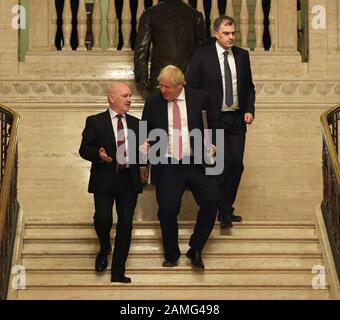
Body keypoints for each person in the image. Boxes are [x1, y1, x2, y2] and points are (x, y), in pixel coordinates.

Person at [140, 65, 218, 270]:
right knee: (167, 209)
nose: (163, 90)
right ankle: (171, 254)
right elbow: (143, 131)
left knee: (211, 201)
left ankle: (196, 248)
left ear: (180, 85)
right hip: (168, 164)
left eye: (167, 87)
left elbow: (214, 124)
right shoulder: (153, 101)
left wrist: (215, 145)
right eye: (161, 86)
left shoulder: (200, 97)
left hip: (197, 162)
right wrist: (143, 156)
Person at [187, 15, 256, 228]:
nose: (231, 37)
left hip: (236, 118)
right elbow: (192, 89)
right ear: (216, 33)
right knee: (219, 165)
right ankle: (221, 211)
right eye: (226, 33)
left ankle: (225, 207)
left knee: (236, 164)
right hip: (213, 119)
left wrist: (249, 110)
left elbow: (249, 87)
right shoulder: (201, 56)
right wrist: (199, 118)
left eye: (233, 33)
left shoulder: (242, 56)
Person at [79, 82, 143, 283]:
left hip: (128, 182)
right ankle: (105, 246)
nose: (129, 99)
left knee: (125, 225)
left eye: (130, 95)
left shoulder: (137, 123)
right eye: (125, 95)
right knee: (103, 219)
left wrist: (145, 153)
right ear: (112, 98)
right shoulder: (95, 121)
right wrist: (97, 155)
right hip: (104, 179)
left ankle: (118, 271)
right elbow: (84, 149)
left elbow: (141, 154)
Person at [134, 0, 206, 91]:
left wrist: (142, 77)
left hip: (161, 78)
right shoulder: (195, 15)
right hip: (187, 78)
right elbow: (202, 49)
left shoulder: (150, 14)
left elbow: (142, 48)